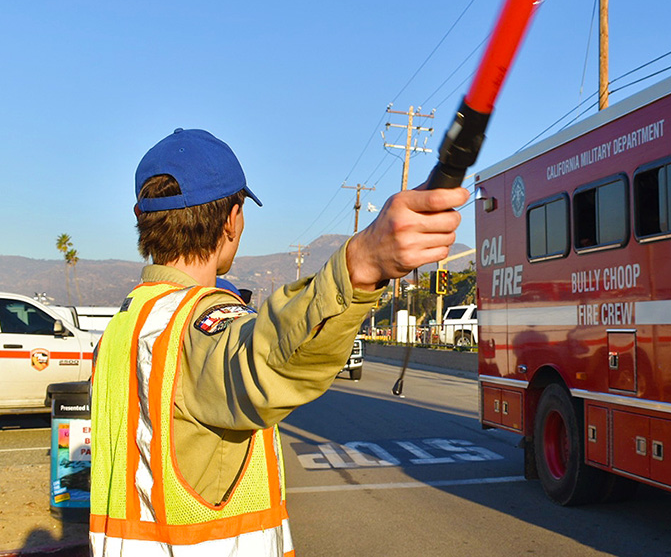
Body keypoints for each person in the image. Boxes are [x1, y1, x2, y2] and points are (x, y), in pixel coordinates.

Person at [89, 128, 468, 556]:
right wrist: (360, 265)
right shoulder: (194, 325)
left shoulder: (125, 325)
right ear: (233, 219)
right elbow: (262, 360)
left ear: (141, 215)